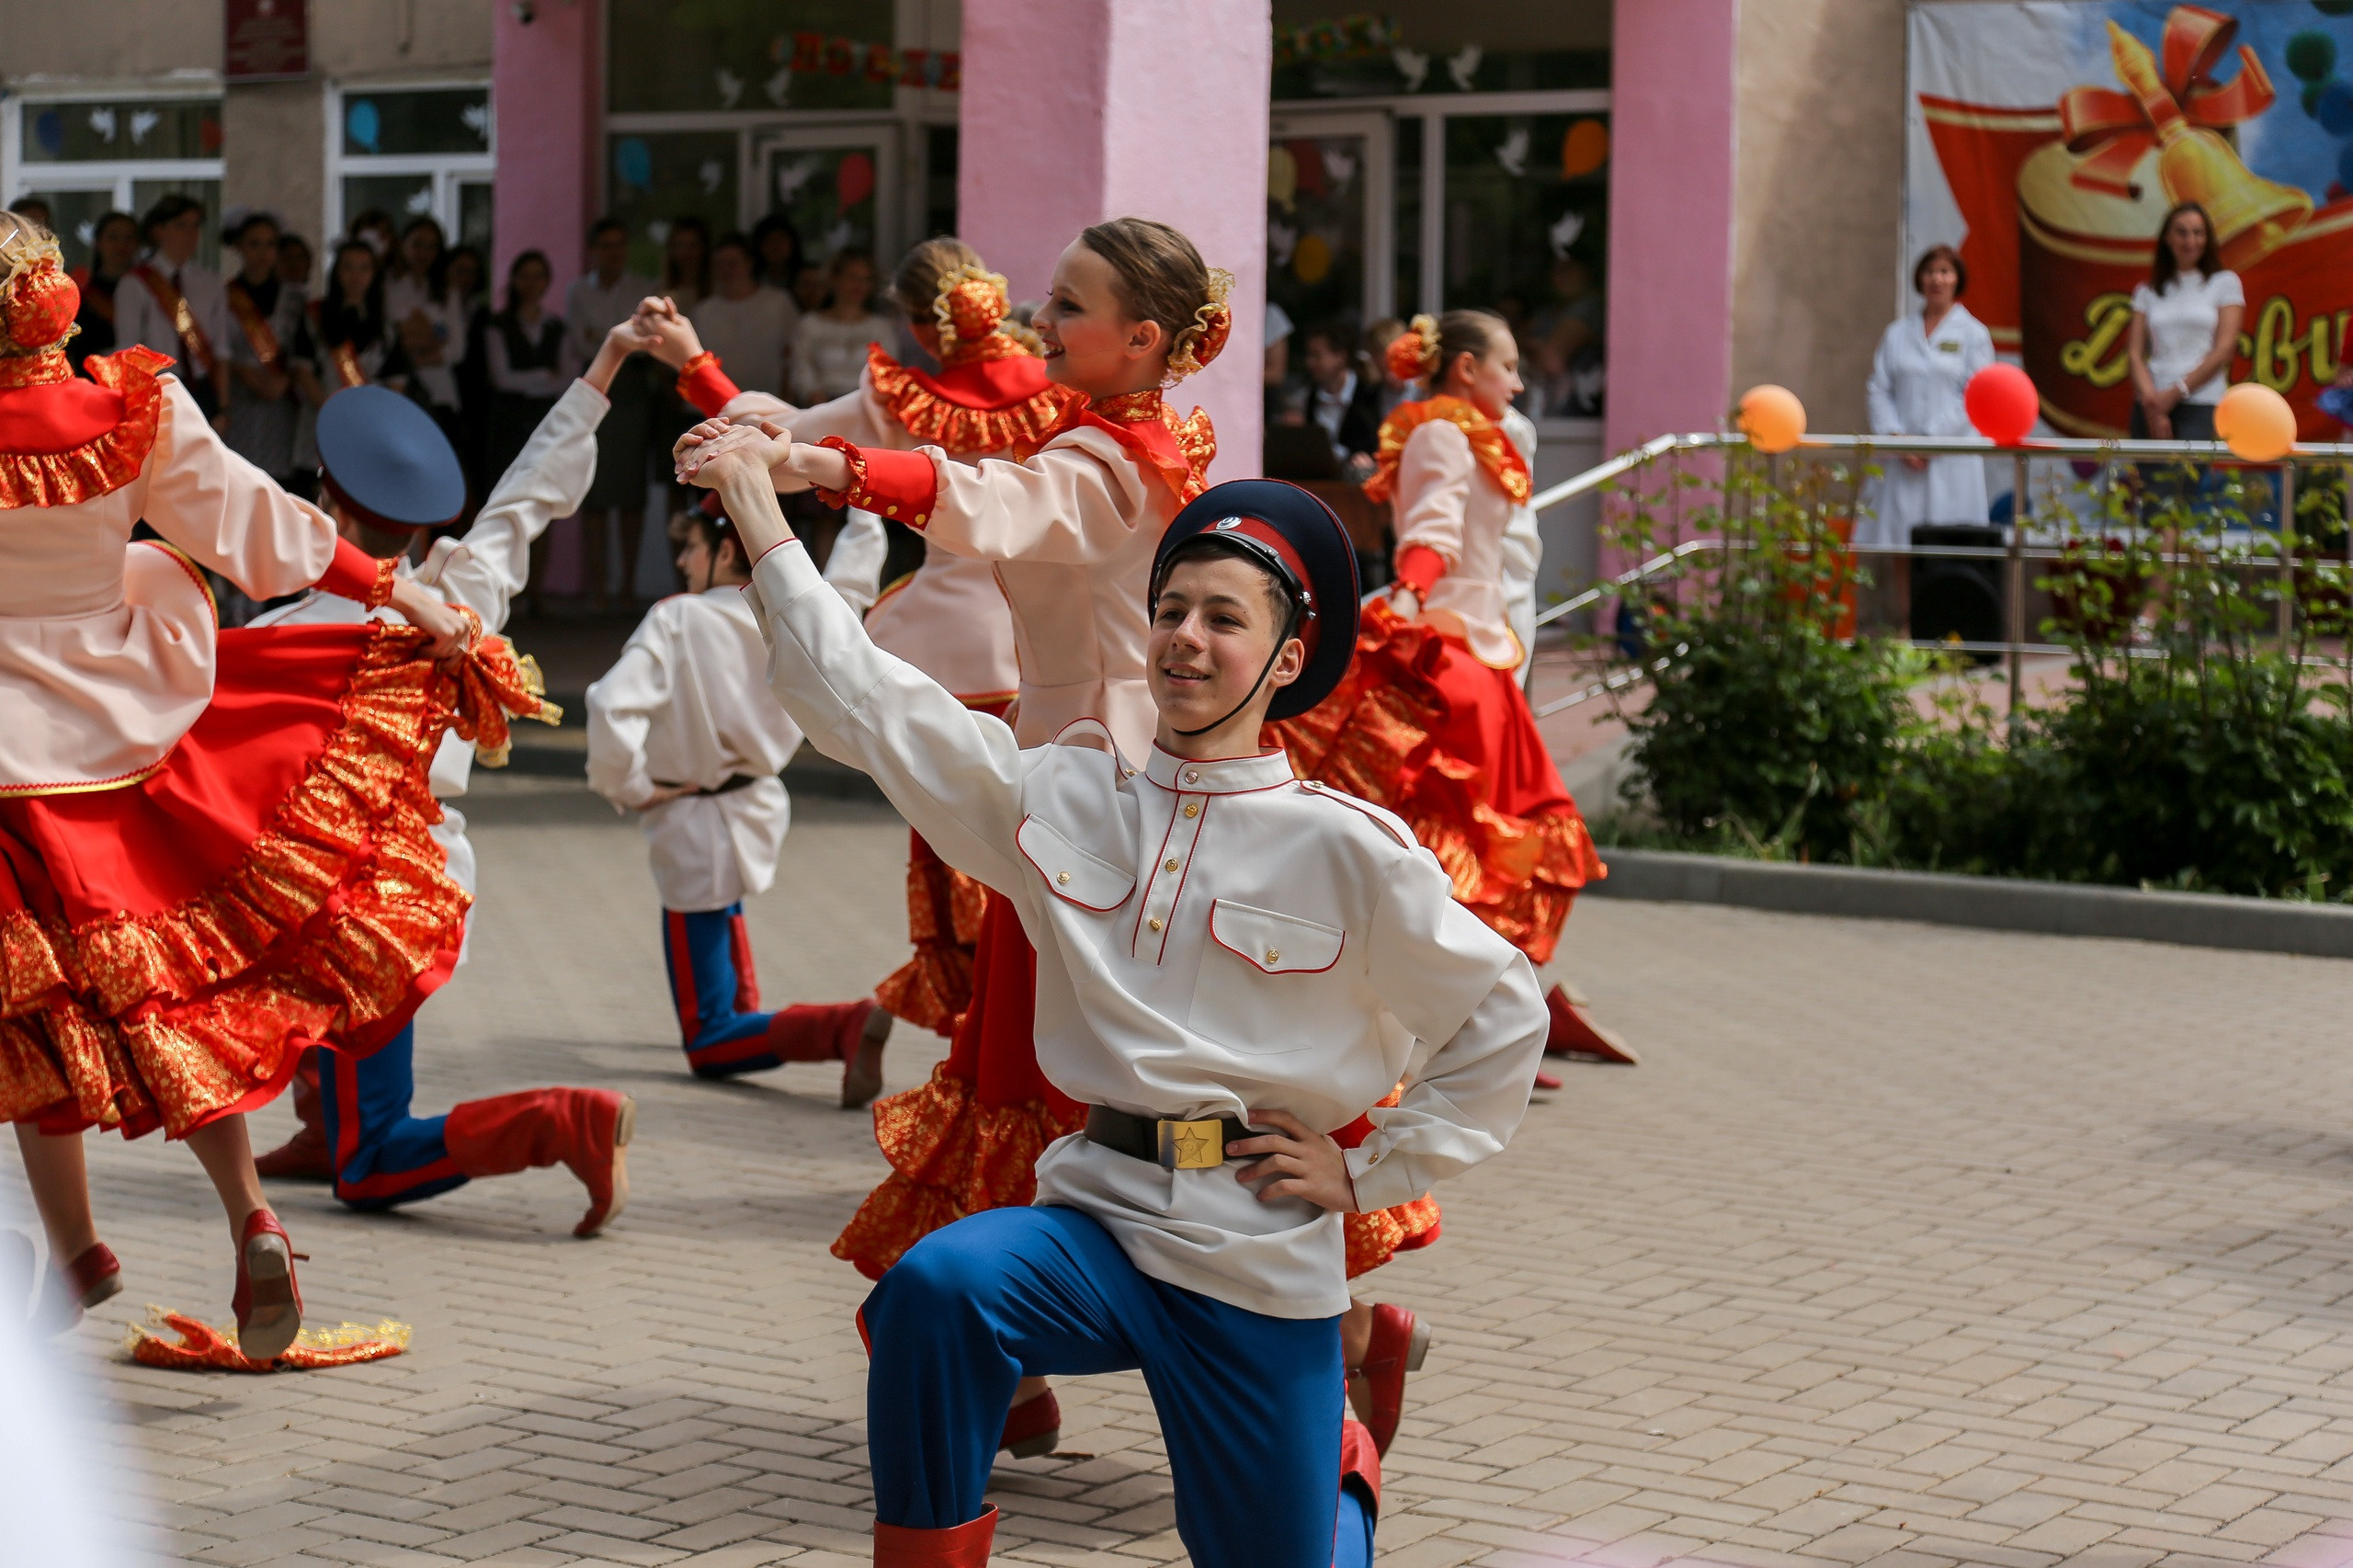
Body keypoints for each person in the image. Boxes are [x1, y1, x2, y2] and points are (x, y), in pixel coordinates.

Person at [678, 426, 1543, 1565]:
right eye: (1171, 609)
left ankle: (1342, 1479)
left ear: (1286, 659)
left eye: (1224, 618)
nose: (1185, 636)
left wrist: (1367, 1170)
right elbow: (873, 705)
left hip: (1251, 1246)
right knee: (937, 1288)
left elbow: (1501, 1011)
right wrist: (758, 509)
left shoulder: (1350, 851)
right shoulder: (1068, 796)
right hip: (1099, 1215)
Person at [707, 218, 1222, 1459]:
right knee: (1076, 1078)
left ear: (1141, 338)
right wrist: (796, 450)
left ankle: (1313, 1344)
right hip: (1109, 779)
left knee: (1062, 1081)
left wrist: (817, 469)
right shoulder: (1140, 432)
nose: (1045, 319)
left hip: (1091, 792)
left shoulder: (1106, 456)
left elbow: (993, 502)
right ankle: (1022, 1370)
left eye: (1072, 304)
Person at [0, 213, 504, 1359]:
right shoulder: (129, 405)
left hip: (11, 761)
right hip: (127, 725)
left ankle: (76, 1248)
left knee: (37, 1009)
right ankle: (250, 1214)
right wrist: (397, 589)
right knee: (178, 995)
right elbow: (258, 525)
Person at [249, 337, 651, 1234]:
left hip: (357, 909)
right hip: (429, 875)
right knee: (269, 965)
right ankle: (325, 1121)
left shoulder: (290, 633)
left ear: (326, 509)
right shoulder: (457, 592)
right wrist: (604, 368)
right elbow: (528, 494)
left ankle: (562, 1121)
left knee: (371, 1167)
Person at [647, 235, 1067, 1053]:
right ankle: (1027, 1021)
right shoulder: (1064, 391)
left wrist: (694, 364)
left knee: (958, 845)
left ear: (921, 324)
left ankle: (980, 1028)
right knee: (1048, 847)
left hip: (943, 653)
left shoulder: (907, 400)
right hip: (1047, 657)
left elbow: (780, 441)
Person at [1285, 311, 1631, 1079]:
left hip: (1478, 651)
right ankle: (1440, 1029)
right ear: (1467, 368)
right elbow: (1432, 536)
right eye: (1508, 366)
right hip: (1451, 655)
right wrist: (1408, 597)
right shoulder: (1442, 432)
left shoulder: (1467, 430)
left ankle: (1475, 1025)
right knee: (1461, 840)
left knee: (1487, 839)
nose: (1519, 383)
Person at [585, 494, 879, 1098]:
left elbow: (610, 707)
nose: (683, 562)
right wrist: (865, 507)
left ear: (724, 551)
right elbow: (852, 580)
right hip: (754, 807)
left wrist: (631, 787)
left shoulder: (678, 618)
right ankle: (788, 1024)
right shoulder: (801, 614)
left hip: (692, 821)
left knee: (707, 1039)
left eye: (690, 548)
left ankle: (840, 1026)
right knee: (731, 972)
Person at [1862, 244, 1995, 623]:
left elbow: (1975, 394)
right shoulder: (1897, 333)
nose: (1937, 279)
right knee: (1902, 542)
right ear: (1919, 279)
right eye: (1930, 271)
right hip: (1902, 456)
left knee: (1947, 542)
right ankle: (1908, 625)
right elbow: (1878, 388)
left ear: (1957, 280)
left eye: (1945, 272)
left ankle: (1946, 628)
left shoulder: (1973, 334)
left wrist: (1929, 440)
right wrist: (1897, 438)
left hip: (1949, 457)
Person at [567, 217, 660, 614]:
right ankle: (599, 590)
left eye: (619, 243)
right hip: (595, 386)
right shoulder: (577, 291)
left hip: (634, 390)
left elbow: (647, 343)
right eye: (605, 244)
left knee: (630, 493)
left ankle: (627, 588)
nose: (613, 252)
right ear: (593, 250)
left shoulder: (642, 289)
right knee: (595, 493)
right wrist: (618, 341)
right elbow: (580, 342)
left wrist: (608, 340)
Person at [2129, 200, 2243, 444]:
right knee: (2149, 470)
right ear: (2167, 238)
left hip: (2201, 401)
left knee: (2189, 469)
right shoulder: (2146, 291)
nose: (2190, 241)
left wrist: (2174, 394)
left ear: (2207, 238)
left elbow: (2224, 350)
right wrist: (2153, 403)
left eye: (2198, 233)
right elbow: (2135, 354)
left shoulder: (2225, 283)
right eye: (2182, 232)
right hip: (2151, 403)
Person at [114, 193, 232, 426]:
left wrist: (223, 407)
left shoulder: (211, 283)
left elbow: (221, 350)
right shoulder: (135, 283)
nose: (190, 234)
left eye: (195, 226)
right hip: (157, 389)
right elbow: (128, 351)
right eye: (180, 225)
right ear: (158, 231)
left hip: (203, 388)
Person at [485, 250, 572, 564]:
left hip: (544, 423)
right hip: (508, 424)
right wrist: (543, 376)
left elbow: (566, 380)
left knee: (541, 503)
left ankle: (536, 586)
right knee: (506, 503)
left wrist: (531, 381)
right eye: (524, 276)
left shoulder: (556, 326)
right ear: (513, 280)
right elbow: (501, 378)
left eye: (538, 276)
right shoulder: (498, 325)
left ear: (547, 281)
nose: (531, 283)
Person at [220, 211, 307, 490]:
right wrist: (240, 371)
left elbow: (305, 351)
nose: (263, 253)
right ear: (239, 247)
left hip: (283, 405)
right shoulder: (223, 296)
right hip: (239, 401)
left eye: (270, 244)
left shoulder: (295, 299)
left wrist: (287, 379)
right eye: (254, 244)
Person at [386, 217, 467, 452]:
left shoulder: (447, 292)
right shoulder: (389, 287)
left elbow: (457, 349)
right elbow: (394, 341)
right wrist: (435, 339)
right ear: (403, 244)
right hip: (399, 393)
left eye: (431, 246)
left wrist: (416, 352)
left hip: (440, 394)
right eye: (417, 244)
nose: (424, 253)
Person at [688, 232, 797, 399]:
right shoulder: (702, 311)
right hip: (713, 404)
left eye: (733, 263)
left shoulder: (779, 303)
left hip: (767, 402)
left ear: (749, 263)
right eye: (720, 264)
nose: (726, 270)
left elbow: (793, 354)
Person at [301, 237, 406, 393]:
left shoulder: (386, 326)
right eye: (348, 267)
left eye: (364, 268)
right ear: (336, 271)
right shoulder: (315, 316)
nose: (356, 275)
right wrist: (326, 404)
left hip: (369, 406)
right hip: (325, 404)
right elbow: (302, 371)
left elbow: (396, 379)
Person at [790, 248, 890, 403]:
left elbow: (888, 373)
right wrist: (817, 399)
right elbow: (801, 371)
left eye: (866, 279)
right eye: (852, 277)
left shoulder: (880, 328)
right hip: (820, 408)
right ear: (834, 278)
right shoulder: (810, 324)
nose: (859, 285)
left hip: (867, 406)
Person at [1302, 320, 1382, 478]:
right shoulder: (1312, 396)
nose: (1309, 363)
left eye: (1317, 356)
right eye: (1309, 355)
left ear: (1340, 357)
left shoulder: (1368, 394)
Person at [66, 210, 140, 372]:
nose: (121, 245)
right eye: (113, 237)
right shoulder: (82, 289)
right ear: (98, 242)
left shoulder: (147, 286)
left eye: (129, 238)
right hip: (88, 374)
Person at [751, 211, 801, 289]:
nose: (775, 246)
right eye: (770, 240)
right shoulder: (750, 279)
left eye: (781, 239)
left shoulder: (804, 278)